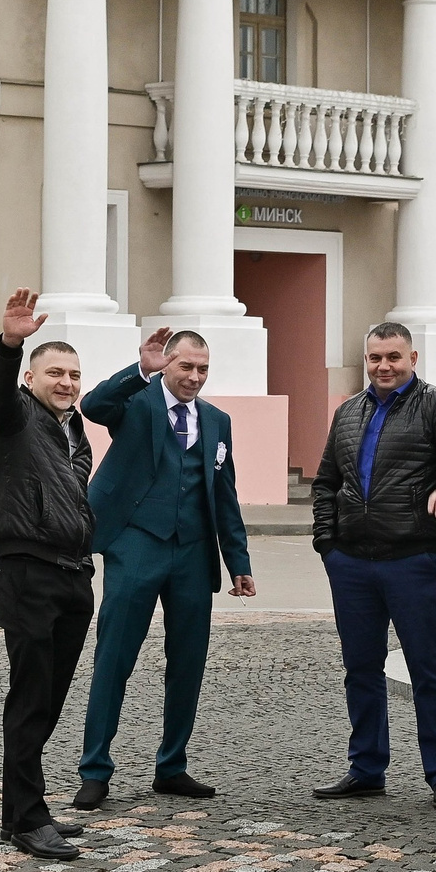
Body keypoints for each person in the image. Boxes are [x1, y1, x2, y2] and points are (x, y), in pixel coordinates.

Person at [72, 328, 255, 809]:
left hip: (193, 552)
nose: (194, 377)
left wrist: (238, 560)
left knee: (189, 661)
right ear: (166, 365)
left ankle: (172, 766)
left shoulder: (217, 421)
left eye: (203, 369)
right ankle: (95, 769)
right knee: (114, 657)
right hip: (135, 543)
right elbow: (92, 406)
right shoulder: (138, 402)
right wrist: (140, 371)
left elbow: (225, 494)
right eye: (185, 367)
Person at [310, 324, 436, 808]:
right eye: (374, 358)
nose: (383, 366)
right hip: (352, 562)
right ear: (365, 359)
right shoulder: (349, 411)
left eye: (393, 357)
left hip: (415, 558)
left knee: (427, 668)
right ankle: (367, 769)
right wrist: (328, 545)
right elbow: (326, 480)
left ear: (412, 356)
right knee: (360, 670)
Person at [0, 288, 97, 861]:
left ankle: (29, 807)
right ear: (32, 378)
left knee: (49, 700)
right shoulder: (15, 415)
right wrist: (8, 345)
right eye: (55, 372)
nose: (67, 382)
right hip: (28, 572)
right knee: (29, 701)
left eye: (74, 374)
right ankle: (24, 819)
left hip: (74, 577)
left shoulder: (77, 430)